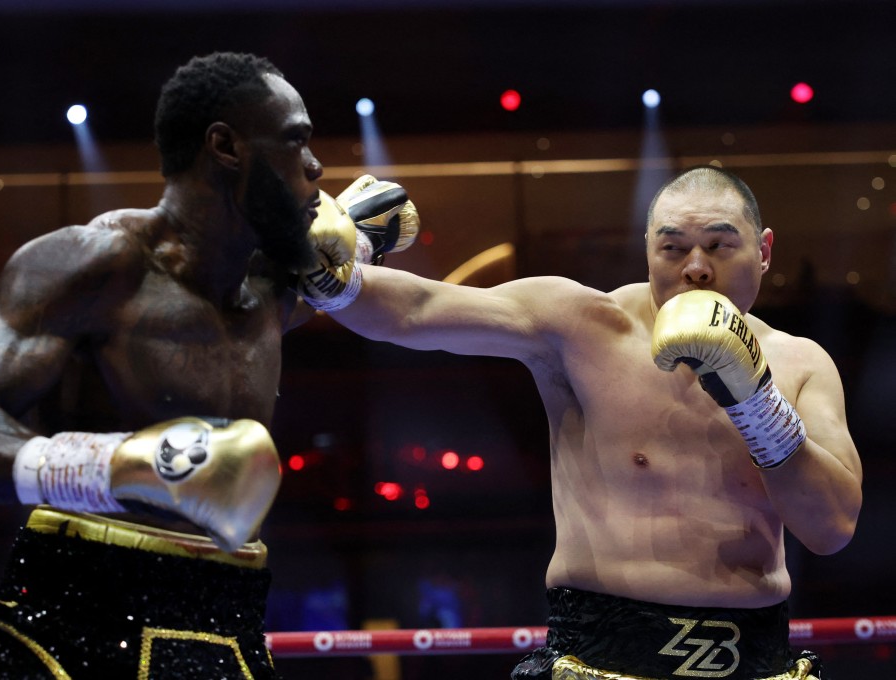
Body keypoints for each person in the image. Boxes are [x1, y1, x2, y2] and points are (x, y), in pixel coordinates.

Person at [0, 51, 416, 679]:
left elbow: (361, 227)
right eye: (294, 141)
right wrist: (114, 467)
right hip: (76, 627)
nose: (316, 165)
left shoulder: (275, 286)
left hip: (231, 629)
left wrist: (359, 235)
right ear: (225, 146)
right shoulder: (96, 266)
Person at [301, 165, 862, 679]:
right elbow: (417, 309)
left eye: (719, 244)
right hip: (598, 656)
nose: (695, 267)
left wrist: (755, 400)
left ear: (763, 251)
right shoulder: (580, 325)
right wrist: (331, 276)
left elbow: (831, 528)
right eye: (673, 247)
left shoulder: (801, 363)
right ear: (647, 252)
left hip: (757, 662)